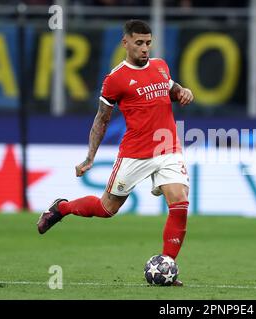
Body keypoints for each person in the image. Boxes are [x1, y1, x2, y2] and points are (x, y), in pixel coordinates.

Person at [37, 20, 193, 286]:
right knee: (107, 209)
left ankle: (168, 266)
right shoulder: (116, 79)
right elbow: (101, 120)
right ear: (126, 43)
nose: (145, 48)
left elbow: (172, 89)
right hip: (134, 154)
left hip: (168, 148)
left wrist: (184, 92)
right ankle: (61, 208)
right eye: (139, 43)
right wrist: (89, 158)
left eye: (148, 42)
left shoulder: (160, 66)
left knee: (179, 202)